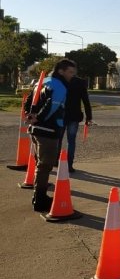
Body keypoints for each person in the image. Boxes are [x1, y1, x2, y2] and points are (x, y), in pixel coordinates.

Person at [25, 59, 77, 212]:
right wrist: (39, 118)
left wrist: (30, 115)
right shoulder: (59, 86)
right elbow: (51, 106)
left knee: (40, 164)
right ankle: (40, 200)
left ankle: (38, 197)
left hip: (36, 130)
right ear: (61, 71)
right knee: (45, 166)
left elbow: (29, 100)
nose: (72, 75)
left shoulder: (43, 82)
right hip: (48, 130)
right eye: (70, 72)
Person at [61, 73, 93, 173]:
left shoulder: (60, 81)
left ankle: (56, 162)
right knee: (71, 141)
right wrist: (89, 117)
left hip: (61, 115)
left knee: (58, 139)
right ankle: (69, 164)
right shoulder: (80, 83)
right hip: (74, 116)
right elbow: (86, 101)